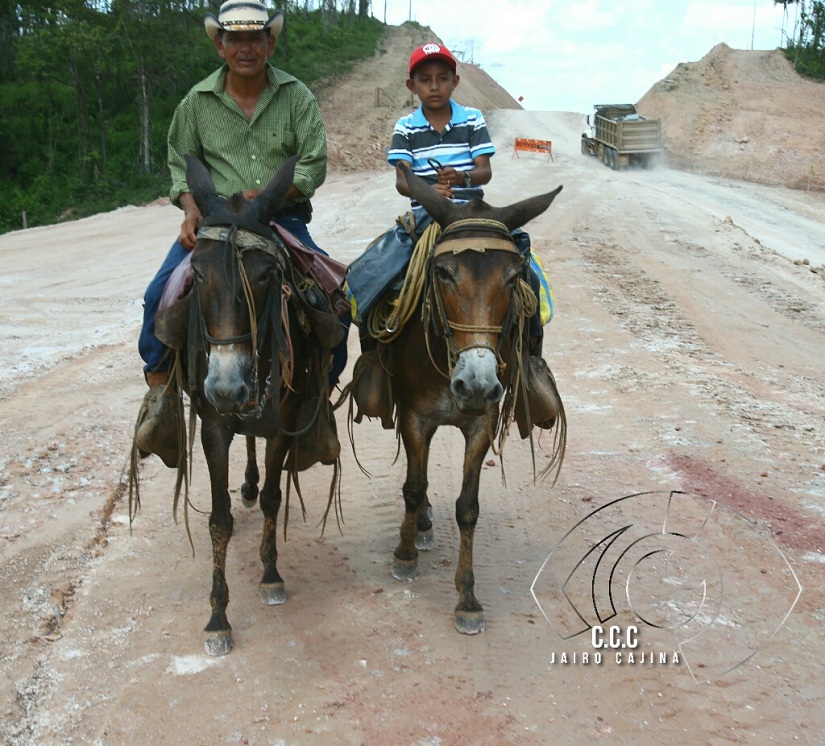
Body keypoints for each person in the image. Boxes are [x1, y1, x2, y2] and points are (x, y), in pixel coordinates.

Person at [135, 1, 348, 467]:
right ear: (220, 44)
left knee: (333, 299)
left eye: (256, 38)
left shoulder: (297, 97)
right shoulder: (195, 104)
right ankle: (161, 396)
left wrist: (270, 191)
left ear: (270, 42)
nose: (246, 47)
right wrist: (190, 210)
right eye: (236, 38)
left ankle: (317, 401)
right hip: (213, 224)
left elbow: (313, 161)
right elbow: (180, 167)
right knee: (158, 296)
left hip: (278, 218)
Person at [348, 43, 552, 358]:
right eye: (425, 79)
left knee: (524, 269)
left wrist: (461, 178)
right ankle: (374, 359)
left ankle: (530, 358)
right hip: (426, 215)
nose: (434, 86)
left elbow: (484, 171)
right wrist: (430, 190)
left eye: (442, 78)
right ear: (411, 85)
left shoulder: (472, 119)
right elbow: (403, 180)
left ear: (455, 82)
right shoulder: (405, 126)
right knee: (372, 274)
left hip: (474, 213)